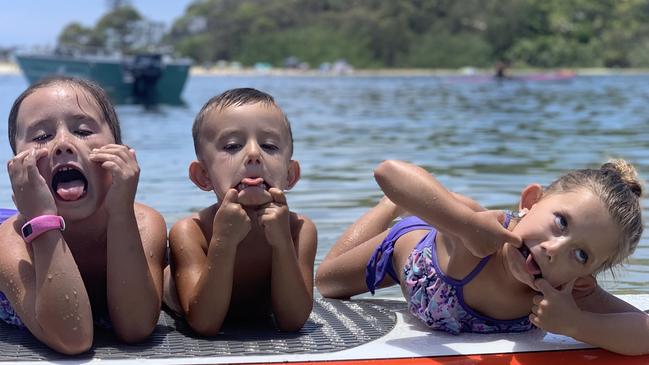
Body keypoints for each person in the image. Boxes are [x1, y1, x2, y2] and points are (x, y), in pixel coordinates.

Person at [316, 159, 649, 355]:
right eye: (561, 222)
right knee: (328, 284)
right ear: (531, 200)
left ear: (586, 276)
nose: (554, 249)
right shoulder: (479, 234)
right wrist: (464, 225)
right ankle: (397, 209)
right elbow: (388, 172)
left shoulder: (566, 292)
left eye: (581, 254)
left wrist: (576, 323)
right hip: (414, 256)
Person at [0, 76, 167, 354]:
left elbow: (136, 327)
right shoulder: (11, 243)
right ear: (16, 164)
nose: (63, 144)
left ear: (119, 150)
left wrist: (121, 213)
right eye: (41, 136)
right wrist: (43, 221)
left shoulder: (142, 223)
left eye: (84, 131)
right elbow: (72, 339)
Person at [163, 88, 317, 335]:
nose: (254, 154)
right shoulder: (192, 232)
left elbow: (293, 321)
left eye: (269, 146)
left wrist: (282, 243)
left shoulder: (299, 230)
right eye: (233, 146)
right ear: (203, 176)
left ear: (290, 174)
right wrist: (223, 241)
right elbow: (204, 323)